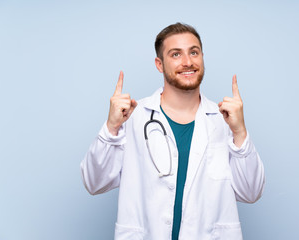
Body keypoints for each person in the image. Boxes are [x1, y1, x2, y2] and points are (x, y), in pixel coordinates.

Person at [81, 22, 265, 240]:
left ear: (202, 57)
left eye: (194, 52)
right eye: (176, 54)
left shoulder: (224, 121)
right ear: (159, 64)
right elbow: (94, 183)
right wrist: (111, 127)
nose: (188, 62)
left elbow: (251, 192)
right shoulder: (133, 117)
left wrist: (240, 132)